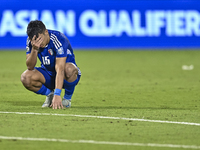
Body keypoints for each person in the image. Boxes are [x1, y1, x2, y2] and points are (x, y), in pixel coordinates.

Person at [21, 20, 81, 109]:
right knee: (25, 77)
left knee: (68, 69)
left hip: (66, 75)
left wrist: (58, 94)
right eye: (35, 40)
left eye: (40, 39)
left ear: (46, 32)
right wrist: (34, 49)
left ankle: (67, 99)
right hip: (48, 74)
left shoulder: (58, 39)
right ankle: (50, 95)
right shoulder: (32, 41)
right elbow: (30, 66)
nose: (38, 43)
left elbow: (60, 69)